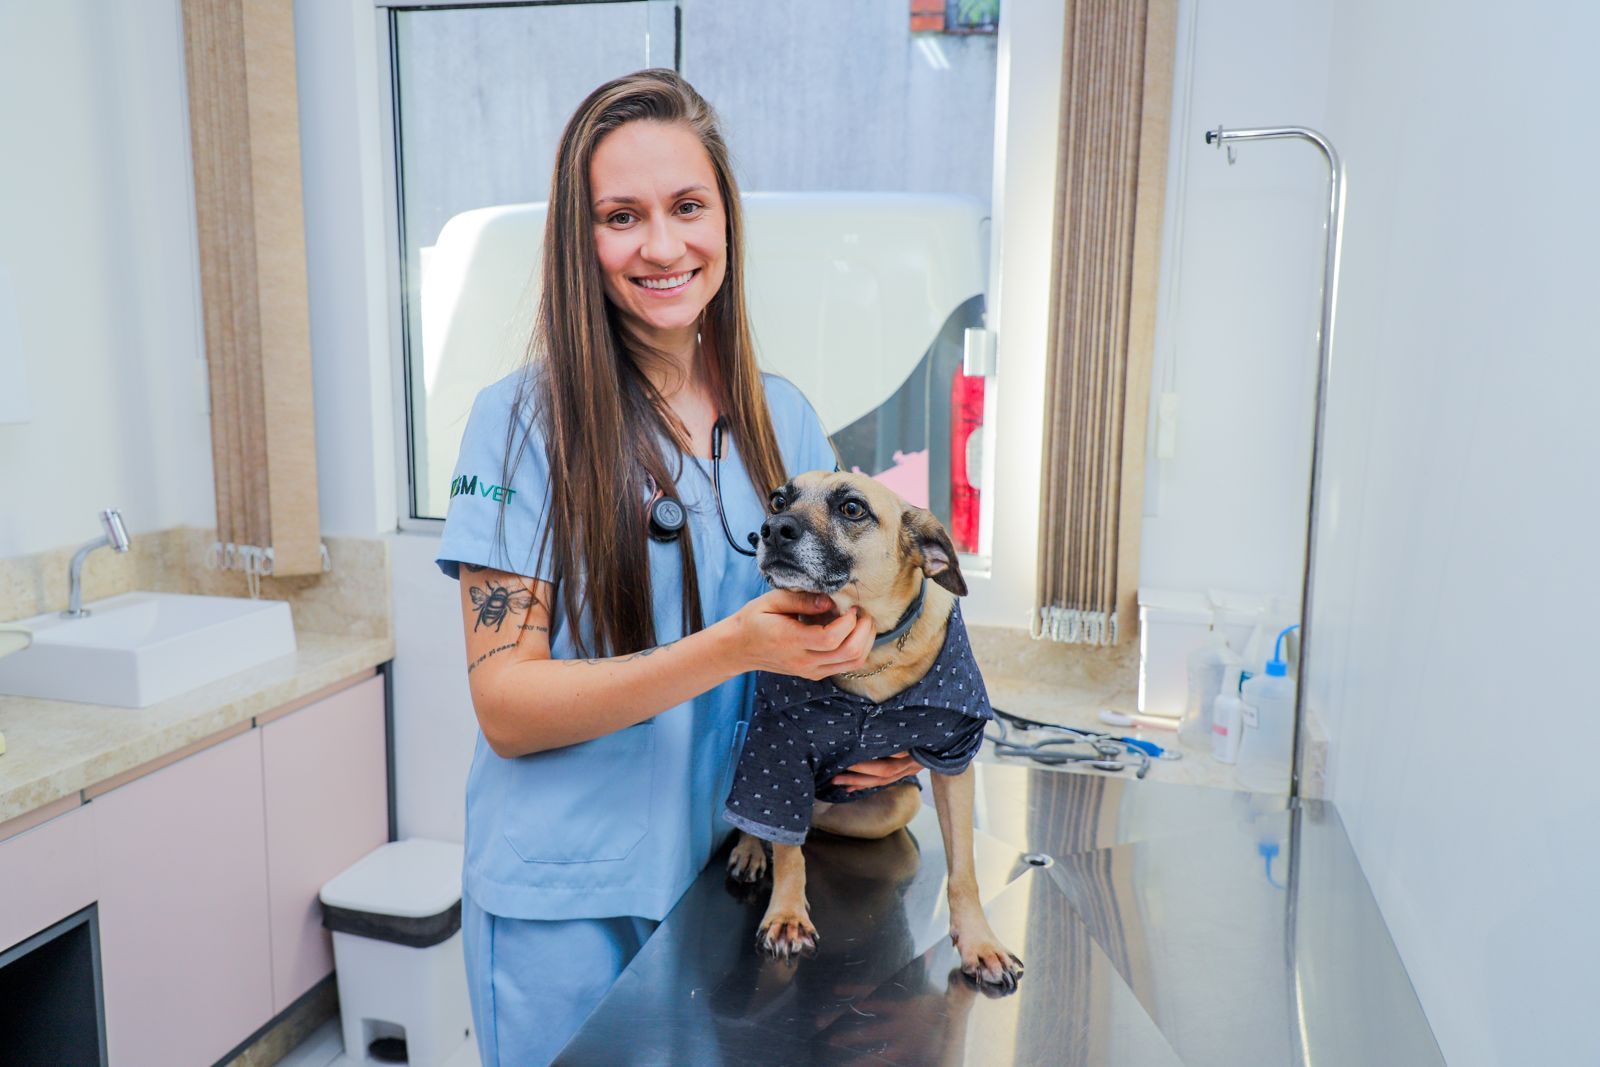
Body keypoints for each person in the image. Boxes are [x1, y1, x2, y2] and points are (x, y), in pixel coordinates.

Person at [434, 70, 923, 1065]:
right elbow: (507, 705)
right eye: (622, 216)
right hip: (565, 901)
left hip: (734, 878)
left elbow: (842, 625)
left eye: (687, 206)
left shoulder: (783, 421)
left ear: (725, 220)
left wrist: (878, 721)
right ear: (581, 242)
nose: (662, 246)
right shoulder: (519, 424)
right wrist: (731, 646)